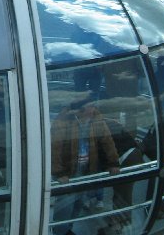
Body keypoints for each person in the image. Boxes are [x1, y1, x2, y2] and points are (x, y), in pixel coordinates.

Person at [51, 93, 120, 235]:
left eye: (93, 106)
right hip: (68, 172)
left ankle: (68, 228)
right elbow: (54, 147)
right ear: (79, 109)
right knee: (65, 207)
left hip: (86, 170)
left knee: (79, 203)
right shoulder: (63, 121)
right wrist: (59, 173)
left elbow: (107, 141)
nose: (93, 110)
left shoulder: (96, 118)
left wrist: (113, 162)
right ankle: (60, 231)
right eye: (90, 107)